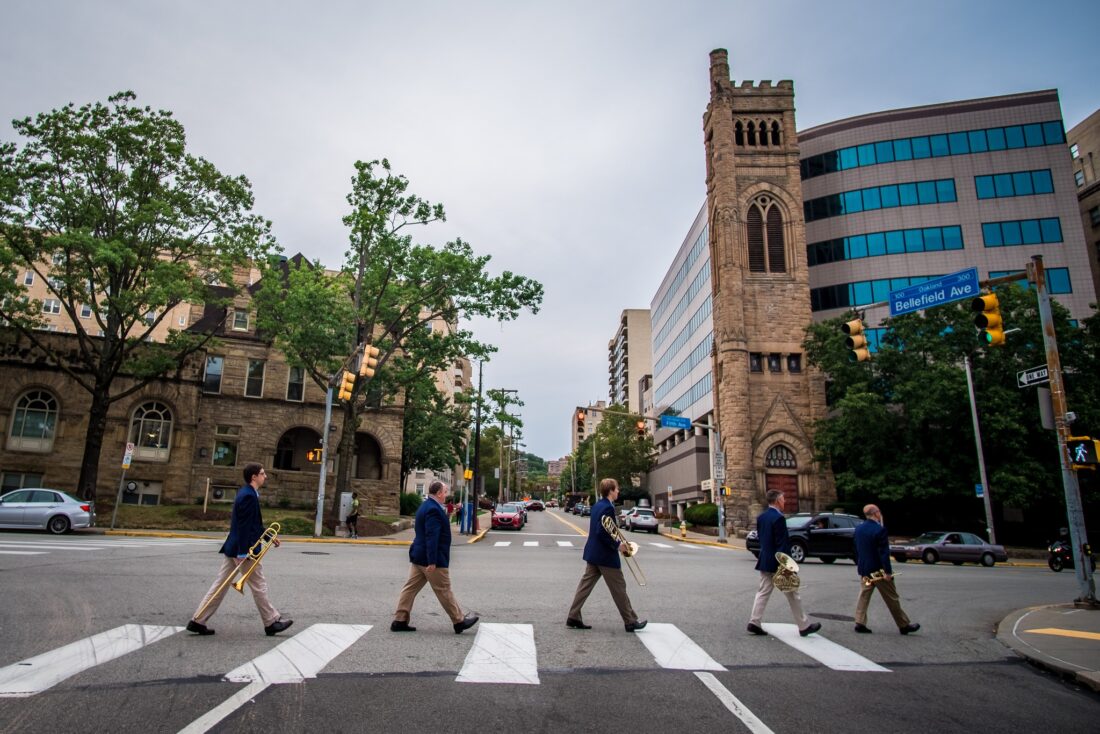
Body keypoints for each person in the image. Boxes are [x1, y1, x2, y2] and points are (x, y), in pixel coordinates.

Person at [187, 463, 293, 637]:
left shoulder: (247, 494)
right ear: (254, 477)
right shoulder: (248, 496)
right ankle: (271, 621)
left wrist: (268, 536)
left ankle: (197, 620)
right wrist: (243, 553)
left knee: (220, 585)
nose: (265, 476)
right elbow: (244, 527)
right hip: (244, 550)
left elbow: (253, 525)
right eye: (262, 473)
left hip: (235, 547)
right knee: (259, 585)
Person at [391, 481, 479, 634]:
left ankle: (400, 620)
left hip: (419, 556)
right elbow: (432, 536)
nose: (446, 495)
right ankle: (459, 621)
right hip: (431, 559)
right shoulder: (433, 510)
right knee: (444, 589)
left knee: (410, 588)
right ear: (439, 493)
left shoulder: (426, 506)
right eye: (445, 492)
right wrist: (432, 561)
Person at [566, 478, 647, 633]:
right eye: (617, 489)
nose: (618, 491)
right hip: (605, 556)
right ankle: (630, 621)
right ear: (610, 490)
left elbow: (606, 529)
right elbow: (602, 531)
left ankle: (573, 615)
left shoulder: (597, 506)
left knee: (585, 586)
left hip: (594, 554)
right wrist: (618, 545)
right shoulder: (608, 508)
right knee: (619, 588)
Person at [747, 489, 821, 638]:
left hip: (765, 559)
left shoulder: (761, 517)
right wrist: (787, 565)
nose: (785, 501)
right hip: (778, 561)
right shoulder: (779, 518)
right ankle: (804, 625)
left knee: (762, 592)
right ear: (777, 501)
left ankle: (754, 621)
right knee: (793, 594)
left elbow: (762, 538)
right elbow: (782, 543)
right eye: (783, 499)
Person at [853, 504, 920, 635]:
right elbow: (884, 553)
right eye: (879, 512)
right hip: (878, 571)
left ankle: (859, 622)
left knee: (864, 596)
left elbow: (857, 549)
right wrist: (888, 572)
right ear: (875, 513)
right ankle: (903, 624)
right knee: (892, 598)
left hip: (865, 569)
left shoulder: (859, 529)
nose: (880, 514)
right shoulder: (880, 530)